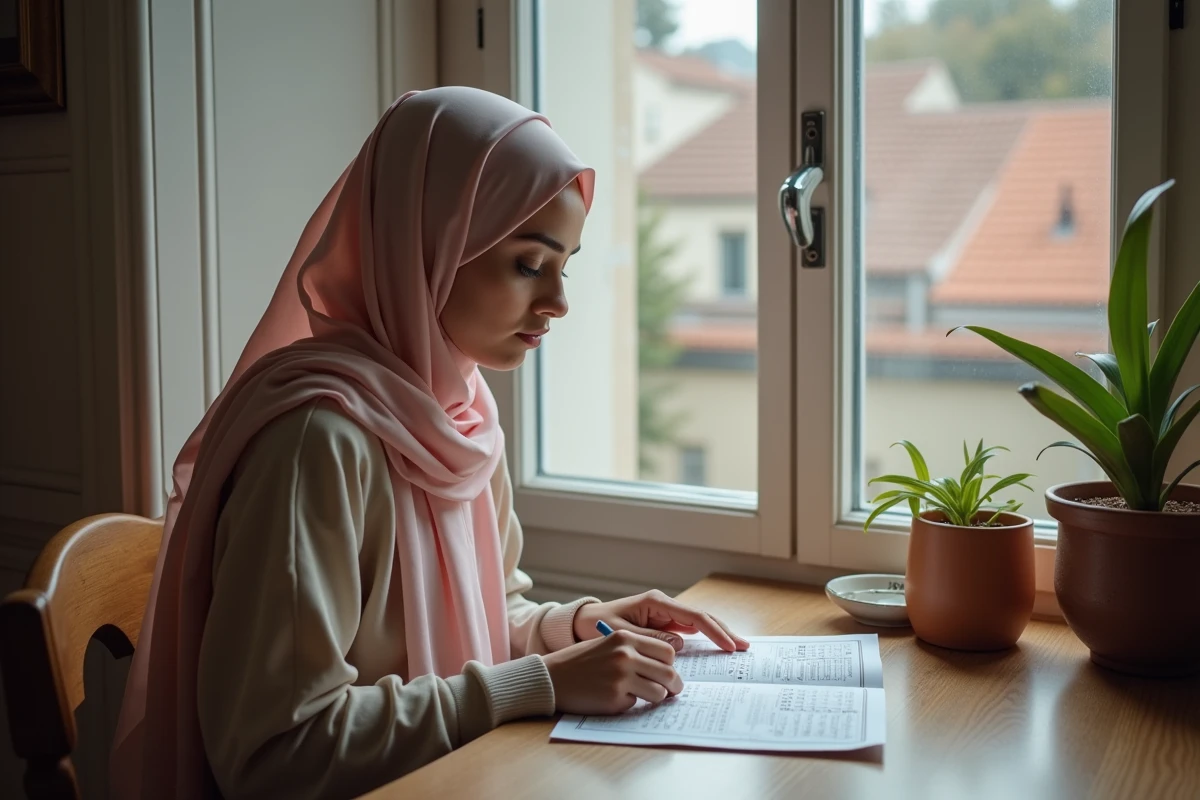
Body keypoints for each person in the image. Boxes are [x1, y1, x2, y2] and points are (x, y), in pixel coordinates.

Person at [109, 87, 749, 799]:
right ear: (429, 245)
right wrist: (538, 684)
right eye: (528, 264)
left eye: (563, 266)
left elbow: (486, 617)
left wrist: (583, 628)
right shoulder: (314, 444)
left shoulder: (462, 417)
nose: (557, 302)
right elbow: (275, 754)